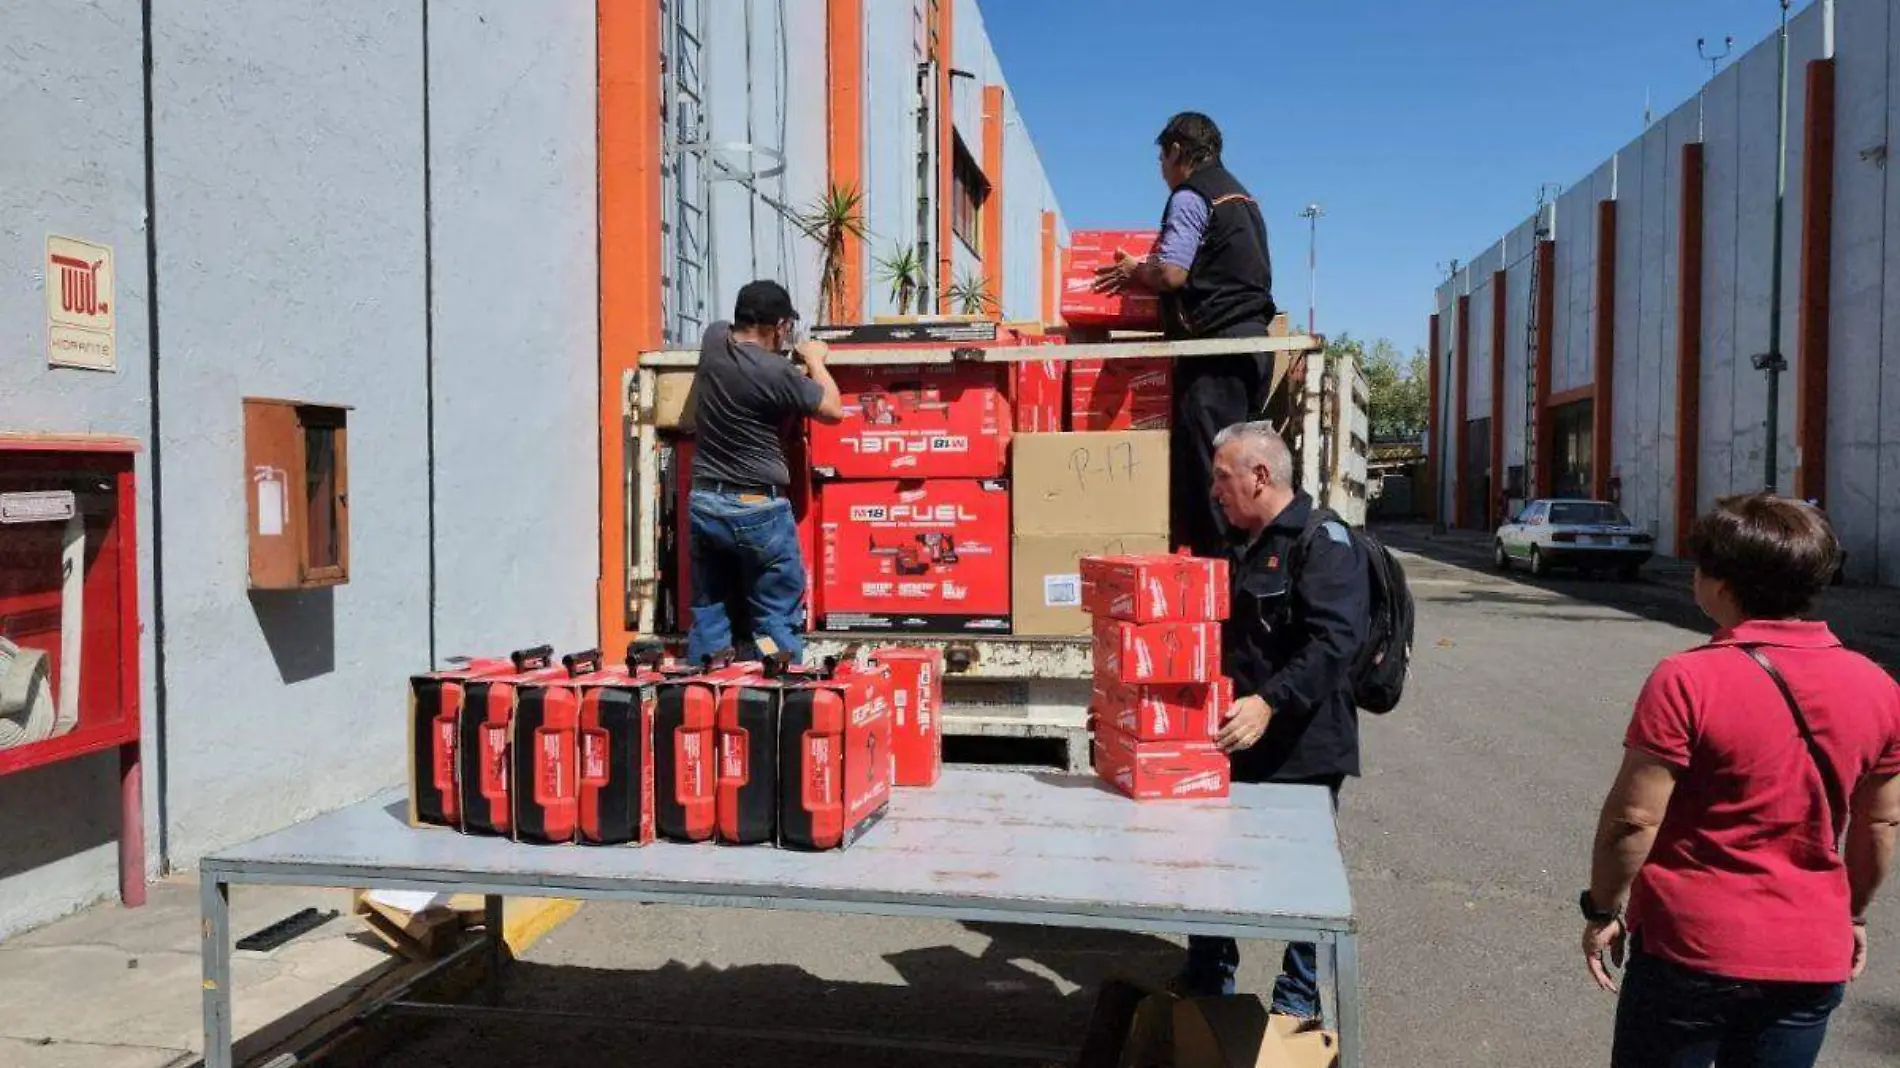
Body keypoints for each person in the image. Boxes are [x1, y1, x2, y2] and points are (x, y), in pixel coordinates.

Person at [1581, 493, 1900, 1068]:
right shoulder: (1877, 686)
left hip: (1690, 948)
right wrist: (1852, 914)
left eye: (1699, 569)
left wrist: (1602, 907)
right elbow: (1880, 822)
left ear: (1723, 586)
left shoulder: (1687, 679)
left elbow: (1635, 820)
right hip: (1809, 952)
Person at [1177, 421, 1368, 1019]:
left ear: (1259, 476)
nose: (1214, 491)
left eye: (1222, 478)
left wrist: (1269, 701)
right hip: (1236, 744)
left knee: (1303, 885)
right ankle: (1210, 986)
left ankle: (1294, 1004)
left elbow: (1336, 643)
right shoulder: (1238, 545)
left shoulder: (1325, 541)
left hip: (1304, 751)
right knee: (1210, 866)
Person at [1092, 111, 1278, 558]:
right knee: (1239, 466)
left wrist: (1136, 271)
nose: (1161, 169)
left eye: (1161, 157)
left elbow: (1174, 273)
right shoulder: (1243, 199)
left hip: (1216, 352)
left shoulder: (1192, 196)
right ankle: (1239, 569)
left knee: (1213, 472)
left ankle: (1218, 579)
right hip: (1252, 348)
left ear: (1177, 151)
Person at [683, 280, 843, 663]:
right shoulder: (778, 373)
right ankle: (778, 692)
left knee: (709, 611)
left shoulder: (713, 341)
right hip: (758, 510)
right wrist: (815, 359)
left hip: (705, 503)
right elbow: (833, 410)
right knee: (774, 614)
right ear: (780, 326)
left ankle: (703, 700)